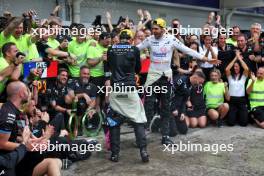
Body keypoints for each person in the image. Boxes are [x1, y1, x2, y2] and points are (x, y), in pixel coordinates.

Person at [136, 18, 219, 145]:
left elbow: (188, 50)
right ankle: (142, 137)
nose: (154, 31)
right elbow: (135, 49)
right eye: (152, 29)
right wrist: (118, 50)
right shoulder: (150, 39)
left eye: (156, 29)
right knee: (148, 106)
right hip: (152, 77)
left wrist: (206, 59)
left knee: (166, 107)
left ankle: (165, 137)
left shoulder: (171, 39)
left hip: (166, 77)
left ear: (163, 29)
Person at [105, 29, 149, 162]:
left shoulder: (111, 49)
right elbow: (138, 69)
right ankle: (143, 152)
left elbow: (111, 67)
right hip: (129, 89)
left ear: (120, 38)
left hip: (116, 89)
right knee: (138, 119)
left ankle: (114, 154)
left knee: (114, 121)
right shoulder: (134, 49)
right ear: (130, 39)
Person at [169, 70, 206, 135]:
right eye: (199, 82)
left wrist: (183, 112)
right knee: (173, 133)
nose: (199, 85)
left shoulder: (191, 86)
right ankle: (160, 119)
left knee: (184, 130)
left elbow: (184, 100)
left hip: (179, 108)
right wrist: (173, 108)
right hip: (170, 106)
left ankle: (173, 122)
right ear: (195, 77)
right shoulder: (181, 80)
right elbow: (169, 94)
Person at [225, 50, 249, 126]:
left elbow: (246, 69)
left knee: (244, 123)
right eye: (234, 66)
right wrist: (235, 57)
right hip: (232, 100)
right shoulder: (230, 77)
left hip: (242, 100)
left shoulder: (243, 77)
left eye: (237, 66)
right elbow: (227, 69)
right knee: (230, 123)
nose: (235, 68)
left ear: (240, 67)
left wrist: (239, 58)